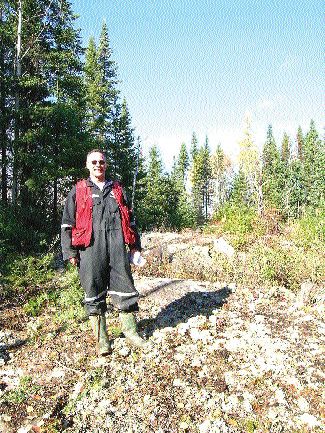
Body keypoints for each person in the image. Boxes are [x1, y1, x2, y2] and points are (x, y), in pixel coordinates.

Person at [61, 149, 145, 356]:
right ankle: (102, 340)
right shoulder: (79, 190)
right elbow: (66, 224)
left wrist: (134, 246)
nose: (98, 165)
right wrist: (70, 252)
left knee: (124, 285)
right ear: (87, 165)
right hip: (89, 247)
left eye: (102, 162)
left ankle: (131, 332)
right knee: (93, 289)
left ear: (106, 165)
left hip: (117, 245)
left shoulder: (117, 189)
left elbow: (130, 220)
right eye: (94, 162)